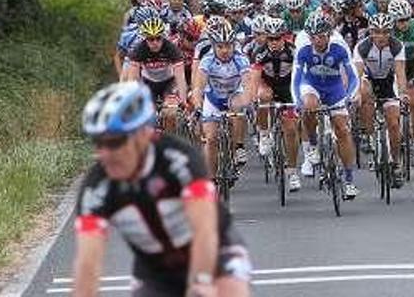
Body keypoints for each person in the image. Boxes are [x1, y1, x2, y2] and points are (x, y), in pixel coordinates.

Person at [73, 81, 251, 297]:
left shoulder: (179, 158)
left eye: (115, 143)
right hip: (155, 270)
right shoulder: (96, 186)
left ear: (143, 134)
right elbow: (88, 265)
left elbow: (205, 229)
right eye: (98, 143)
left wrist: (201, 283)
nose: (105, 154)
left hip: (215, 252)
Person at [291, 12, 361, 198]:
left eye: (321, 36)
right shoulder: (304, 49)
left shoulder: (339, 48)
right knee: (309, 105)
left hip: (334, 88)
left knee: (342, 130)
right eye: (314, 37)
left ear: (329, 35)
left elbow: (353, 77)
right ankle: (313, 146)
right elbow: (296, 80)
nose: (318, 41)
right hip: (311, 85)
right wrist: (298, 102)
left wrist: (349, 96)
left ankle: (349, 180)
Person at [191, 22, 256, 173]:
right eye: (220, 46)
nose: (225, 50)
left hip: (234, 95)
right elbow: (198, 88)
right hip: (213, 99)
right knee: (211, 139)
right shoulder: (207, 60)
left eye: (228, 46)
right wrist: (197, 107)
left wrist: (249, 103)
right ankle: (212, 179)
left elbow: (248, 84)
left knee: (238, 106)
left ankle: (238, 147)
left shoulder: (240, 59)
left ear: (234, 45)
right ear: (214, 46)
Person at [353, 14, 409, 187]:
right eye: (377, 32)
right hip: (368, 80)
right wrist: (356, 95)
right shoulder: (362, 47)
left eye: (385, 32)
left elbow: (400, 73)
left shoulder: (397, 46)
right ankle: (370, 136)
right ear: (371, 32)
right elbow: (358, 75)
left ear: (390, 33)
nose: (381, 36)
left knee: (393, 122)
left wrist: (402, 93)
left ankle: (396, 162)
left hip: (387, 82)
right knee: (363, 92)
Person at [250, 17, 302, 191]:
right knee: (263, 97)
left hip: (288, 86)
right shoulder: (259, 52)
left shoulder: (294, 52)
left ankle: (292, 171)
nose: (273, 42)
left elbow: (300, 77)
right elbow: (254, 79)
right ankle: (264, 134)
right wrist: (251, 100)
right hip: (268, 84)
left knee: (291, 129)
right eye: (270, 38)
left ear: (284, 37)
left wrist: (299, 99)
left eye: (277, 38)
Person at [126, 17, 188, 133]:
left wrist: (183, 100)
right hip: (148, 84)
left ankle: (169, 141)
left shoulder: (171, 49)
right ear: (145, 39)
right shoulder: (139, 50)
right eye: (150, 39)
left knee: (170, 114)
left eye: (158, 38)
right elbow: (132, 79)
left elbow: (180, 78)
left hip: (169, 83)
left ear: (163, 37)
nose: (155, 43)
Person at [389, 0, 414, 167]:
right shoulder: (388, 30)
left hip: (411, 65)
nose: (403, 24)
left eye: (406, 19)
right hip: (393, 66)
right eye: (399, 21)